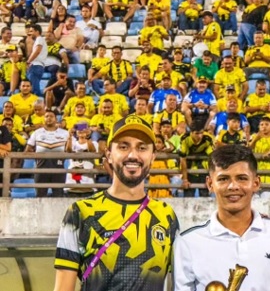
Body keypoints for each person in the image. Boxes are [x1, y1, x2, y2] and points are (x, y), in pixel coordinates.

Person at [54, 116, 179, 291]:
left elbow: (176, 284)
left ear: (152, 157)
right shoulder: (80, 213)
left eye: (142, 148)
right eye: (123, 146)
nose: (133, 155)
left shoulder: (166, 215)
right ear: (109, 155)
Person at [173, 144, 270, 291]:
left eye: (242, 178)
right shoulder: (188, 242)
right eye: (223, 179)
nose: (233, 186)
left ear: (256, 183)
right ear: (210, 184)